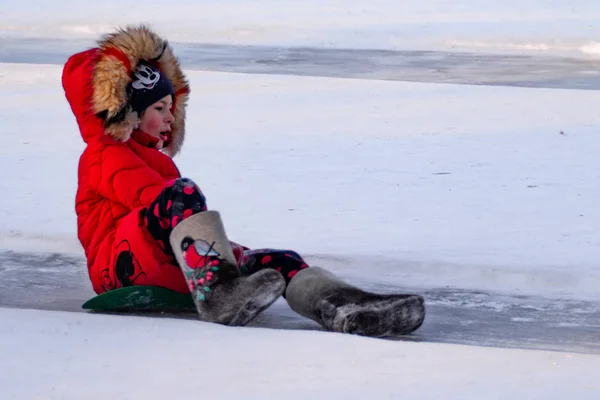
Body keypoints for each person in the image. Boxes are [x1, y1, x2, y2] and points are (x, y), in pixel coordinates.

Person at [62, 24, 425, 336]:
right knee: (179, 194)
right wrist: (210, 244)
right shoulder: (104, 154)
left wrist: (237, 257)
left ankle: (344, 307)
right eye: (159, 108)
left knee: (277, 260)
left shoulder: (157, 162)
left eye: (172, 107)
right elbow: (153, 201)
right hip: (120, 267)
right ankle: (220, 293)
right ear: (129, 113)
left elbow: (179, 223)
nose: (170, 117)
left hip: (166, 262)